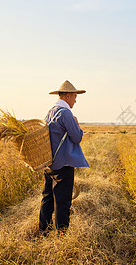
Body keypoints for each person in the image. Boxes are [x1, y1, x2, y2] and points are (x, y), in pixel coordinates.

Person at [39, 80, 89, 234]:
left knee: (47, 197)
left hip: (50, 162)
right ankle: (62, 235)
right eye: (74, 97)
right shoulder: (66, 113)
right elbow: (77, 137)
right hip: (64, 164)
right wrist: (77, 124)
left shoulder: (51, 111)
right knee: (63, 201)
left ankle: (44, 231)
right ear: (67, 96)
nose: (75, 100)